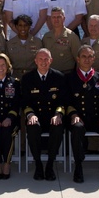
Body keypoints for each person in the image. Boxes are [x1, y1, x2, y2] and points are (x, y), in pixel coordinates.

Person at [66, 45, 99, 183]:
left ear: (94, 59)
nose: (87, 59)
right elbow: (67, 101)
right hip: (79, 117)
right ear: (78, 59)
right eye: (84, 56)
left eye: (90, 57)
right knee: (76, 129)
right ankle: (78, 167)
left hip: (97, 118)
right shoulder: (70, 78)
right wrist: (73, 115)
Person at [20, 49, 67, 180]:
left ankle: (50, 165)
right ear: (35, 61)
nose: (43, 62)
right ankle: (39, 165)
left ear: (51, 61)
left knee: (58, 127)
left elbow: (63, 100)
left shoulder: (59, 77)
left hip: (52, 116)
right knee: (32, 127)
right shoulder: (27, 78)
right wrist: (30, 115)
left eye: (46, 59)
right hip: (36, 116)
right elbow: (25, 102)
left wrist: (58, 114)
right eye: (40, 59)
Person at [41, 6, 82, 73]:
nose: (56, 20)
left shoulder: (71, 36)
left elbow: (79, 60)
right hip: (50, 75)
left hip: (66, 75)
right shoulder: (46, 37)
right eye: (53, 17)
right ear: (50, 19)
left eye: (59, 17)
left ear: (64, 18)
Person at [5, 14, 40, 79]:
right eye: (20, 25)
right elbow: (7, 63)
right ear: (16, 26)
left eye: (25, 25)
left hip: (33, 77)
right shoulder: (9, 44)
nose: (23, 28)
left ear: (29, 27)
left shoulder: (38, 43)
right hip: (15, 77)